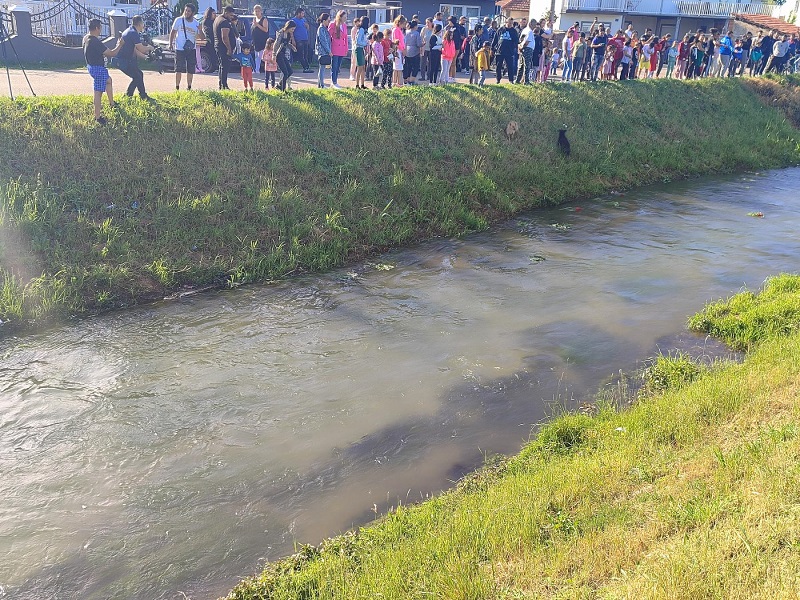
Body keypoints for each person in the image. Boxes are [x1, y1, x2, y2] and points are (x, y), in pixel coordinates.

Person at [83, 18, 123, 123]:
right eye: (100, 28)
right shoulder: (95, 42)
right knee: (98, 92)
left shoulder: (87, 38)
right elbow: (112, 53)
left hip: (91, 67)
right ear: (97, 28)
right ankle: (98, 117)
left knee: (109, 80)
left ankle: (112, 103)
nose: (101, 30)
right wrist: (120, 45)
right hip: (98, 69)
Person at [116, 15, 154, 100]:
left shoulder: (130, 30)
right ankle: (131, 96)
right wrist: (150, 48)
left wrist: (145, 57)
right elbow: (141, 48)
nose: (143, 25)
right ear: (140, 24)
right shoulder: (133, 33)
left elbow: (135, 50)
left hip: (125, 59)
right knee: (137, 76)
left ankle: (141, 96)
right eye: (143, 23)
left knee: (138, 75)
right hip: (123, 60)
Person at [169, 3, 203, 91]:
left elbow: (202, 37)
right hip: (179, 48)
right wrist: (170, 44)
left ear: (193, 13)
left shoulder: (196, 23)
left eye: (189, 11)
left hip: (191, 49)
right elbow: (173, 32)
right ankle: (177, 87)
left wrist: (200, 29)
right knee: (178, 68)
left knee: (191, 69)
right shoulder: (179, 20)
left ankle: (189, 87)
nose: (187, 12)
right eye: (186, 10)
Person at [213, 6, 236, 90]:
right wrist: (229, 49)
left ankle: (222, 84)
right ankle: (223, 85)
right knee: (225, 67)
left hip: (218, 46)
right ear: (226, 12)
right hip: (223, 48)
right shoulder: (224, 22)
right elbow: (225, 37)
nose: (232, 17)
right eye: (230, 15)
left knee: (221, 66)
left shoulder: (217, 19)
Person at [492, 18, 519, 84]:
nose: (510, 24)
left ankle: (511, 80)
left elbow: (516, 41)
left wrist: (516, 48)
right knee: (498, 66)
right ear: (506, 22)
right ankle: (498, 79)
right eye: (509, 23)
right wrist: (492, 48)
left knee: (510, 66)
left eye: (511, 23)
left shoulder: (514, 31)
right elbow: (495, 39)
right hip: (500, 51)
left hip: (509, 52)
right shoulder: (501, 30)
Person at [274, 20, 297, 91]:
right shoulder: (281, 33)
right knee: (285, 73)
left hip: (283, 54)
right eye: (292, 29)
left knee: (290, 71)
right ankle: (283, 90)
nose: (293, 31)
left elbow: (286, 43)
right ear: (288, 27)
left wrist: (292, 47)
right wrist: (274, 54)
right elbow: (276, 44)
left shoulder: (289, 34)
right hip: (279, 54)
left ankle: (279, 85)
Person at [328, 11, 348, 89]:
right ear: (340, 17)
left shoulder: (344, 25)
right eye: (344, 17)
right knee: (334, 66)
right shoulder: (332, 24)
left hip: (342, 48)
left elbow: (345, 38)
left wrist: (346, 48)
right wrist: (329, 49)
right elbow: (328, 36)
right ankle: (333, 82)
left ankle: (335, 81)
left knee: (338, 66)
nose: (345, 19)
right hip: (335, 48)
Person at [291, 7, 311, 72]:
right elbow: (291, 31)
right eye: (302, 13)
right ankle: (305, 67)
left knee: (306, 54)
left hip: (305, 39)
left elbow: (307, 28)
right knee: (301, 54)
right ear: (298, 13)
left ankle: (307, 67)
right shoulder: (293, 21)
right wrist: (293, 40)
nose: (303, 15)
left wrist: (307, 26)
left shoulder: (303, 20)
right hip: (299, 40)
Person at [251, 5, 270, 75]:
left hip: (263, 41)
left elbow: (265, 29)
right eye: (256, 11)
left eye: (258, 11)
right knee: (256, 57)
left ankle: (268, 69)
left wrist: (257, 25)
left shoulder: (264, 19)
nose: (257, 12)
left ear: (261, 11)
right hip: (256, 41)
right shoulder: (254, 19)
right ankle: (256, 69)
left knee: (263, 56)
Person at [516, 19, 536, 85]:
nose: (535, 27)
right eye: (534, 25)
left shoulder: (524, 30)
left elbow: (520, 40)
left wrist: (520, 47)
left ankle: (517, 80)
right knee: (527, 65)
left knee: (521, 65)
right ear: (531, 24)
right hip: (527, 49)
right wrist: (522, 47)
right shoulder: (530, 31)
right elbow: (526, 42)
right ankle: (526, 81)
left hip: (522, 48)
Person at [315, 13, 332, 88]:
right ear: (324, 20)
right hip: (322, 51)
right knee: (322, 68)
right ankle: (321, 85)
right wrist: (329, 51)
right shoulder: (321, 29)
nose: (329, 21)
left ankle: (320, 84)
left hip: (324, 51)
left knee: (322, 68)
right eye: (328, 20)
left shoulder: (324, 28)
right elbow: (323, 41)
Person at [354, 17, 370, 89]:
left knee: (363, 67)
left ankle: (362, 84)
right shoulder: (361, 30)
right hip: (359, 49)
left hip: (362, 49)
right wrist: (365, 43)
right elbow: (358, 41)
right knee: (360, 67)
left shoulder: (364, 30)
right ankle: (357, 85)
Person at [404, 20, 422, 85]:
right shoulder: (417, 33)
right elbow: (418, 44)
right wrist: (422, 44)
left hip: (407, 50)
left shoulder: (406, 32)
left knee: (408, 66)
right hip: (415, 51)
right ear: (415, 26)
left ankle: (407, 79)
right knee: (415, 66)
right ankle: (412, 80)